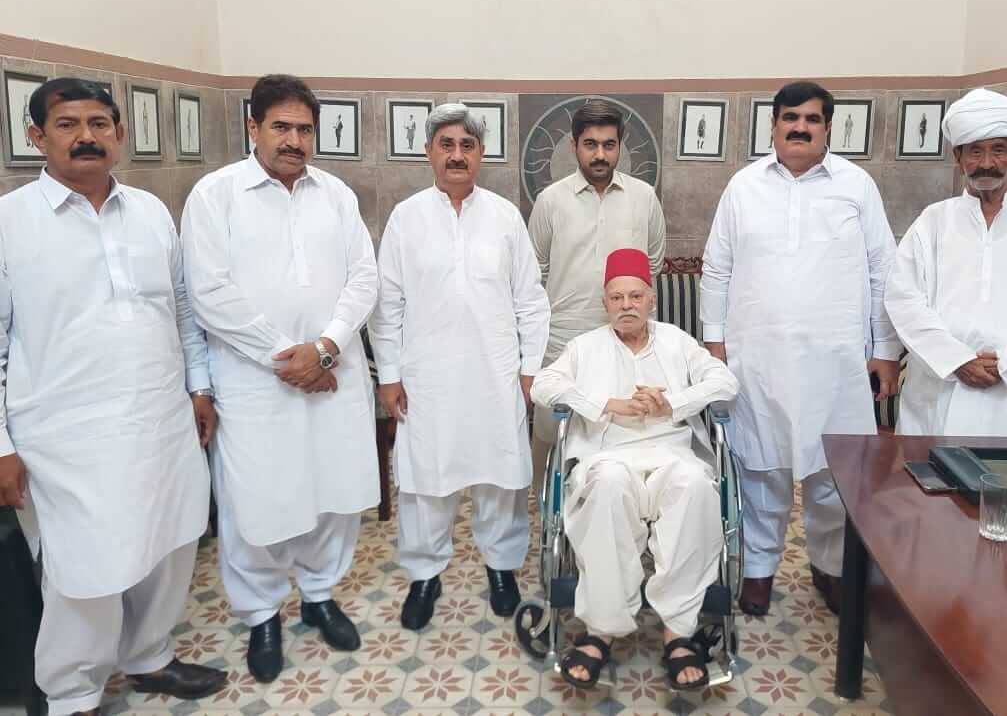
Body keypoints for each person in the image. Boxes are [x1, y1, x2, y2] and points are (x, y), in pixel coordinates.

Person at [0, 78, 226, 716]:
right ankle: (72, 693)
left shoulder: (151, 212)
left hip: (160, 417)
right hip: (64, 435)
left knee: (171, 542)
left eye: (100, 123)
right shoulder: (10, 223)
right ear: (37, 137)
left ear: (120, 135)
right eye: (67, 124)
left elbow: (182, 312)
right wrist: (2, 448)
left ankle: (150, 658)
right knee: (85, 571)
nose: (86, 137)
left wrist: (199, 386)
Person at [181, 74, 380, 682]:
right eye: (281, 127)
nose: (294, 140)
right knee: (256, 500)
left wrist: (324, 347)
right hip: (254, 381)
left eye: (303, 129)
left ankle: (321, 595)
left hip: (332, 372)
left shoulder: (336, 194)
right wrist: (284, 356)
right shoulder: (215, 196)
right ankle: (262, 615)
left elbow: (363, 278)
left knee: (333, 493)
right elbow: (208, 292)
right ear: (253, 127)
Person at [701, 81, 901, 618]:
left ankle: (830, 568)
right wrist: (713, 345)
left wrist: (885, 349)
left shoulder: (856, 186)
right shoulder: (743, 187)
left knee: (834, 475)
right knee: (759, 468)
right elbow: (717, 268)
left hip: (836, 360)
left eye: (812, 119)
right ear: (772, 125)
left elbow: (885, 270)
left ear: (829, 127)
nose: (800, 127)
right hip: (757, 357)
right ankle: (759, 570)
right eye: (790, 117)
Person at [369, 102, 550, 631]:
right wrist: (389, 376)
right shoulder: (406, 218)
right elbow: (389, 306)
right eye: (446, 145)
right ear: (428, 153)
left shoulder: (504, 216)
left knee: (501, 477)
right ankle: (425, 575)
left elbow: (530, 301)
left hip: (496, 372)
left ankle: (502, 569)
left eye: (467, 146)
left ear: (481, 155)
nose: (456, 155)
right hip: (428, 377)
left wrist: (530, 370)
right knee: (427, 480)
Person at [531, 248, 738, 691]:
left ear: (651, 300)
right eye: (616, 297)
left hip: (671, 455)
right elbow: (545, 385)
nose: (626, 305)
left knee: (697, 485)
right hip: (607, 457)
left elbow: (724, 380)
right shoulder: (585, 347)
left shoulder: (678, 342)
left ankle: (677, 632)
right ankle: (601, 631)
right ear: (605, 304)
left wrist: (672, 402)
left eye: (635, 296)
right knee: (606, 485)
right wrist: (607, 404)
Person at [885, 88, 1007, 437]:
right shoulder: (934, 220)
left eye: (998, 150)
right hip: (942, 388)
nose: (986, 163)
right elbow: (903, 299)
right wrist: (957, 360)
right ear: (958, 156)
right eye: (975, 151)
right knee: (929, 486)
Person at [526, 99, 666, 491]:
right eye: (591, 144)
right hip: (563, 339)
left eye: (609, 144)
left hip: (627, 341)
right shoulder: (551, 200)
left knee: (619, 437)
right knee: (554, 436)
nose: (600, 154)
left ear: (620, 145)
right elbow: (536, 270)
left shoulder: (644, 198)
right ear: (574, 146)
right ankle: (548, 509)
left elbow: (651, 264)